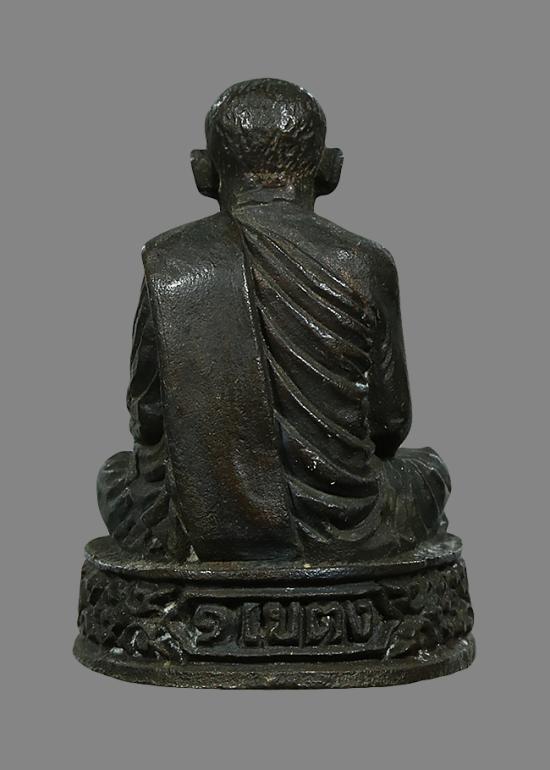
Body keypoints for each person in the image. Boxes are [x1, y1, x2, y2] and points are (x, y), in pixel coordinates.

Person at [97, 78, 450, 563]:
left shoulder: (170, 261)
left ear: (203, 171)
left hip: (195, 525)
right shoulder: (362, 261)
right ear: (330, 169)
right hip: (341, 525)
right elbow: (391, 423)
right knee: (428, 470)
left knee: (116, 475)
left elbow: (149, 419)